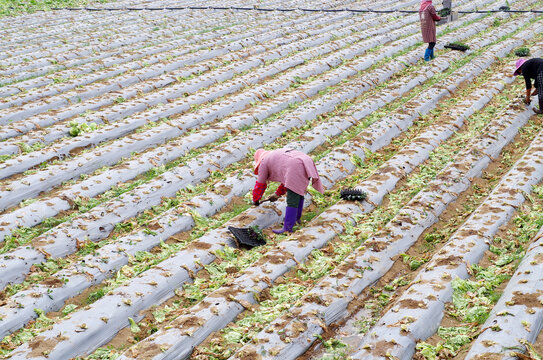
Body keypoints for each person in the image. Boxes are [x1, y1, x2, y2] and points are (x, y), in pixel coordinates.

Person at [252, 148, 324, 234]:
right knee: (298, 192)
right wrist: (277, 194)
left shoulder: (264, 162)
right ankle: (296, 220)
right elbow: (286, 180)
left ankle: (288, 228)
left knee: (292, 199)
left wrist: (255, 199)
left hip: (296, 165)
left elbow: (260, 184)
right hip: (306, 161)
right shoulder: (276, 156)